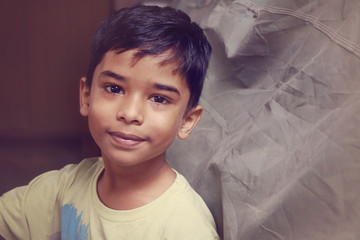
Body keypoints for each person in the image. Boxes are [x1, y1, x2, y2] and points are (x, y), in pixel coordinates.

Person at [0, 5, 218, 240]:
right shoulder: (66, 187)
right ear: (86, 96)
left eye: (159, 98)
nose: (130, 113)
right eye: (114, 88)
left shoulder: (185, 227)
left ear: (187, 120)